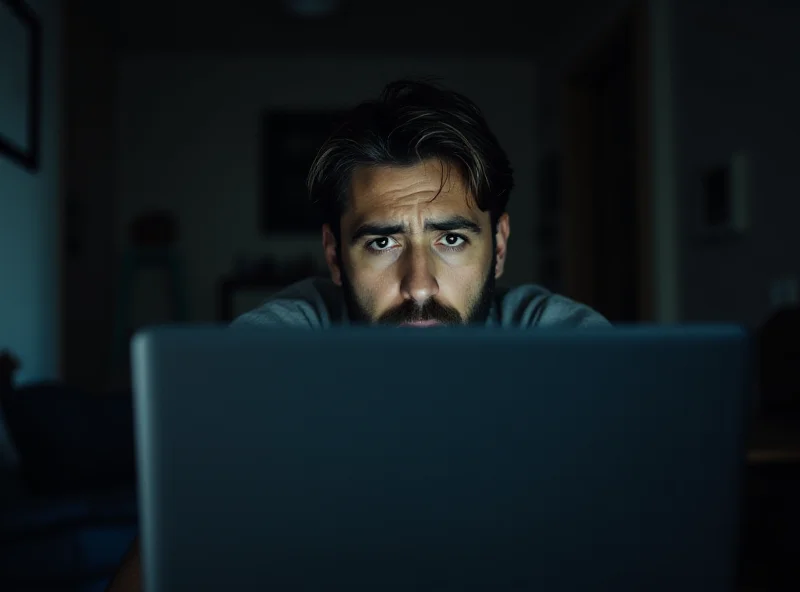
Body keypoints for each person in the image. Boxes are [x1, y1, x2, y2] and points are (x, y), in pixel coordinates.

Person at [105, 79, 607, 592]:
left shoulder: (560, 339)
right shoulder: (284, 336)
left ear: (497, 247)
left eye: (451, 239)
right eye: (383, 241)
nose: (418, 286)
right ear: (335, 255)